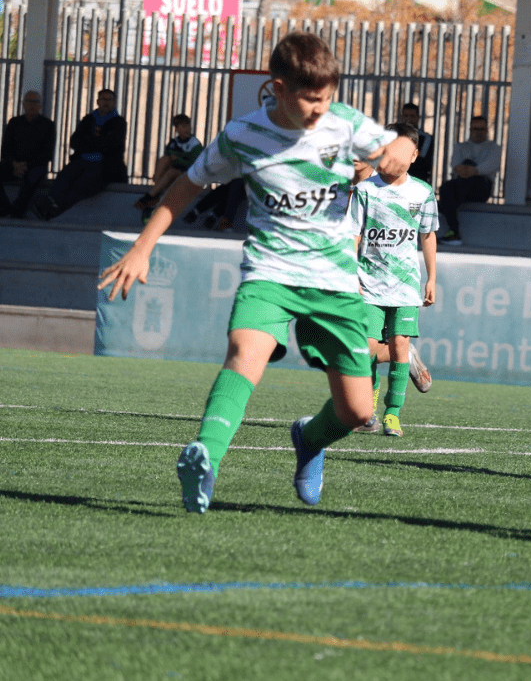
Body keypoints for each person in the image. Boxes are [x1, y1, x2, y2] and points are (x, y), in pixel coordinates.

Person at [98, 32, 416, 514]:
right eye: (311, 98)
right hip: (269, 271)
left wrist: (399, 149)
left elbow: (399, 150)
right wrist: (143, 247)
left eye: (328, 97)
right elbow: (186, 187)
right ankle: (205, 458)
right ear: (278, 88)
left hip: (334, 283)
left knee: (357, 411)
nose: (320, 108)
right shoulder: (242, 136)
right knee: (245, 353)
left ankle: (309, 439)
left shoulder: (345, 123)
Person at [349, 122, 438, 437]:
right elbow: (354, 236)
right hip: (369, 284)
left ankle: (392, 414)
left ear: (414, 156)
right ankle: (367, 407)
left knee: (400, 343)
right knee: (367, 347)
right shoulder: (365, 191)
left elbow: (427, 235)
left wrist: (431, 278)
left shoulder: (422, 192)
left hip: (405, 286)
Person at [33, 88, 127, 220]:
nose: (106, 102)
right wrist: (97, 141)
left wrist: (90, 141)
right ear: (97, 101)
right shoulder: (88, 120)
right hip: (82, 161)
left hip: (104, 166)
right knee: (65, 175)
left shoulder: (119, 122)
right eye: (103, 99)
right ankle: (50, 203)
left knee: (82, 185)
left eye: (110, 100)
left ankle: (55, 210)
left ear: (114, 103)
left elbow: (112, 145)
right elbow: (75, 141)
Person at [438, 115, 501, 245]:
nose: (478, 132)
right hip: (462, 183)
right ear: (470, 130)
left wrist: (474, 171)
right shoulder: (460, 147)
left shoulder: (494, 148)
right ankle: (454, 231)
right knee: (445, 188)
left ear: (486, 131)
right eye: (475, 129)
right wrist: (465, 170)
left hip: (481, 186)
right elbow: (454, 163)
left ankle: (446, 213)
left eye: (482, 129)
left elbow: (491, 165)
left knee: (455, 191)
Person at [135, 113, 204, 220]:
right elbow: (169, 156)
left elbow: (195, 164)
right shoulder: (174, 142)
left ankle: (150, 195)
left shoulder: (195, 144)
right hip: (174, 173)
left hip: (188, 176)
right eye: (183, 126)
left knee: (173, 171)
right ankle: (156, 194)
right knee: (164, 160)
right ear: (177, 129)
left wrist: (179, 159)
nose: (187, 129)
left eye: (188, 125)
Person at [0, 90, 55, 218]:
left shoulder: (48, 125)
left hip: (35, 166)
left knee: (33, 177)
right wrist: (15, 164)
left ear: (40, 105)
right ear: (23, 104)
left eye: (35, 102)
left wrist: (25, 166)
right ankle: (5, 206)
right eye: (29, 101)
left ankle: (18, 211)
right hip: (14, 165)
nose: (32, 105)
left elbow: (47, 154)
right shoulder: (14, 123)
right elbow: (5, 150)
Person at [400, 102, 435, 185]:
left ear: (418, 118)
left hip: (416, 180)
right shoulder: (393, 134)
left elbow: (420, 163)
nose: (408, 119)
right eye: (406, 116)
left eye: (412, 116)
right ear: (401, 117)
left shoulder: (425, 138)